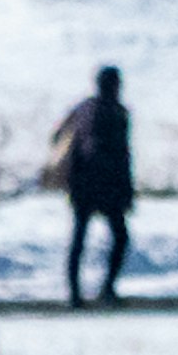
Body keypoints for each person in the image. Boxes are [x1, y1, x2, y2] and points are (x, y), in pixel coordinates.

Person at [47, 65, 136, 307]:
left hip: (81, 187)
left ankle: (75, 294)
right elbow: (121, 157)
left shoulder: (83, 109)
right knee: (119, 237)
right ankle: (107, 290)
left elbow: (58, 138)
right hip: (106, 187)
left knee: (80, 238)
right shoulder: (116, 113)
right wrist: (125, 191)